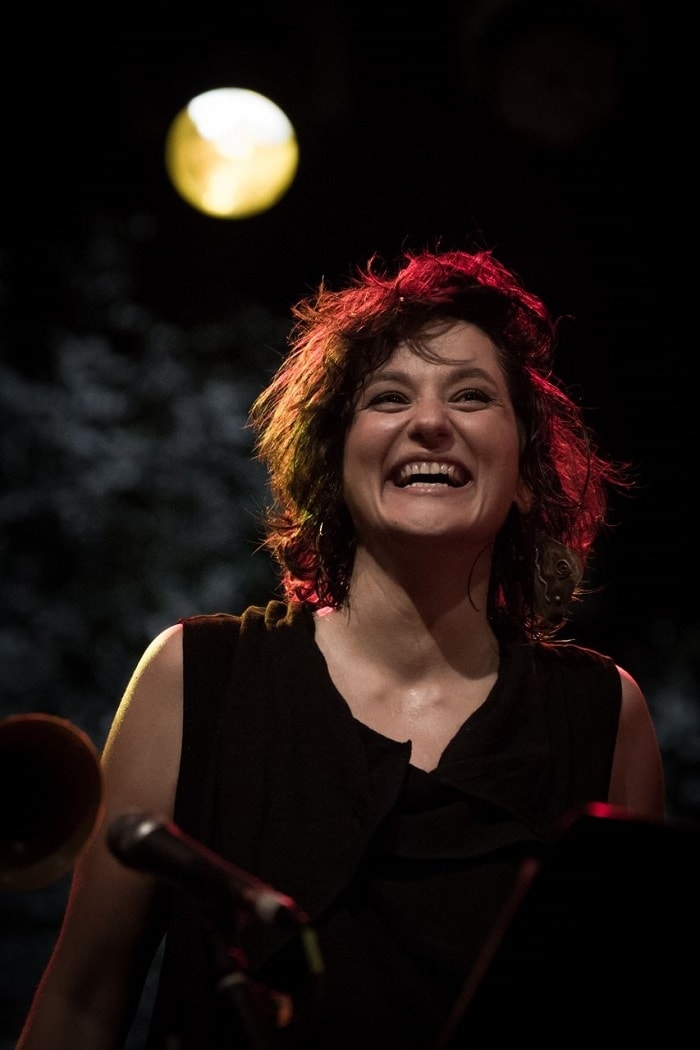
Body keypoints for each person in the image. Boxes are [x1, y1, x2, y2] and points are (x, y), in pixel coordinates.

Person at [16, 246, 665, 1050]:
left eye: (471, 395)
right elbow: (80, 1005)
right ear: (332, 460)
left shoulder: (605, 716)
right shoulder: (194, 680)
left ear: (526, 470)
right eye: (388, 397)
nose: (431, 422)